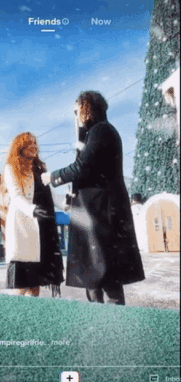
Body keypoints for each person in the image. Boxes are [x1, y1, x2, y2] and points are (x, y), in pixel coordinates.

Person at [41, 91, 145, 305]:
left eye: (77, 110)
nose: (76, 116)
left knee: (105, 275)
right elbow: (86, 171)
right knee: (93, 276)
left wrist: (51, 177)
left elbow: (81, 168)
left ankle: (114, 329)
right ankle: (99, 325)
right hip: (94, 213)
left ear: (87, 108)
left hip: (101, 215)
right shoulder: (97, 132)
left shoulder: (101, 131)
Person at [0, 132, 64, 297]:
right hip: (23, 228)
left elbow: (54, 196)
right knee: (21, 285)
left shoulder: (41, 168)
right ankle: (16, 319)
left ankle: (32, 317)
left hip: (43, 230)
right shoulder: (11, 167)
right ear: (20, 147)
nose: (34, 146)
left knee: (35, 285)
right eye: (29, 143)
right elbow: (16, 195)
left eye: (35, 143)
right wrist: (32, 209)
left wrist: (70, 203)